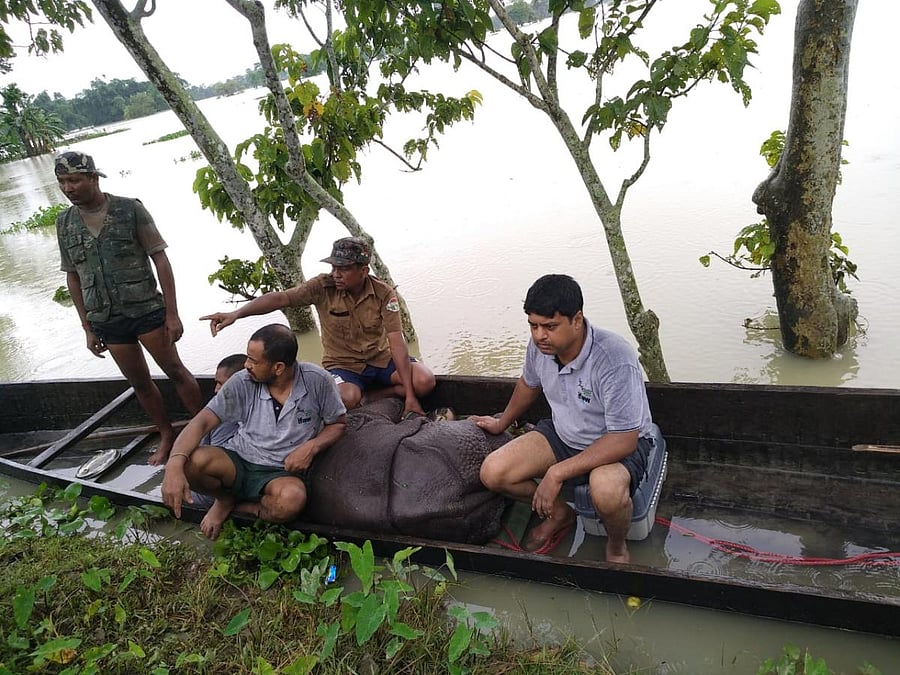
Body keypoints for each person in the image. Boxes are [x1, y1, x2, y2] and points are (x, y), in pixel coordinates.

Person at [472, 274, 655, 563]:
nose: (539, 335)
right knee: (493, 473)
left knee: (605, 491)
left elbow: (624, 439)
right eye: (533, 325)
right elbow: (529, 385)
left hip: (614, 445)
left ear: (577, 319)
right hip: (564, 434)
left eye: (549, 326)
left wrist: (557, 473)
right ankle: (560, 512)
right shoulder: (540, 348)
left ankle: (617, 545)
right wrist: (501, 423)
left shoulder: (613, 357)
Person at [54, 151, 203, 465]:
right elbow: (73, 277)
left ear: (94, 178)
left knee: (175, 371)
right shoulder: (64, 222)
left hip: (146, 309)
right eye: (63, 182)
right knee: (139, 383)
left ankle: (205, 429)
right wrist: (87, 327)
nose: (69, 188)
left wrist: (172, 313)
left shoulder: (129, 209)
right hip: (106, 318)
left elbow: (160, 259)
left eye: (75, 180)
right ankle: (166, 434)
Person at [200, 236, 435, 417]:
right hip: (343, 365)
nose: (336, 274)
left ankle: (381, 394)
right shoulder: (322, 287)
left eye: (344, 268)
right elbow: (281, 298)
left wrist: (411, 397)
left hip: (381, 360)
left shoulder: (384, 294)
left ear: (363, 271)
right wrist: (237, 313)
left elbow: (396, 341)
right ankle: (366, 395)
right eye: (334, 267)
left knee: (424, 381)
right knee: (347, 398)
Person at [161, 324, 347, 539]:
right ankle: (224, 499)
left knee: (291, 500)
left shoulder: (318, 381)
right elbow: (201, 422)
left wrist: (312, 446)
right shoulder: (241, 380)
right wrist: (174, 464)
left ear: (278, 368)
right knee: (191, 462)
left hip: (281, 471)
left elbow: (339, 423)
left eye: (254, 361)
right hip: (239, 459)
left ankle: (246, 508)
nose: (247, 365)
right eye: (248, 358)